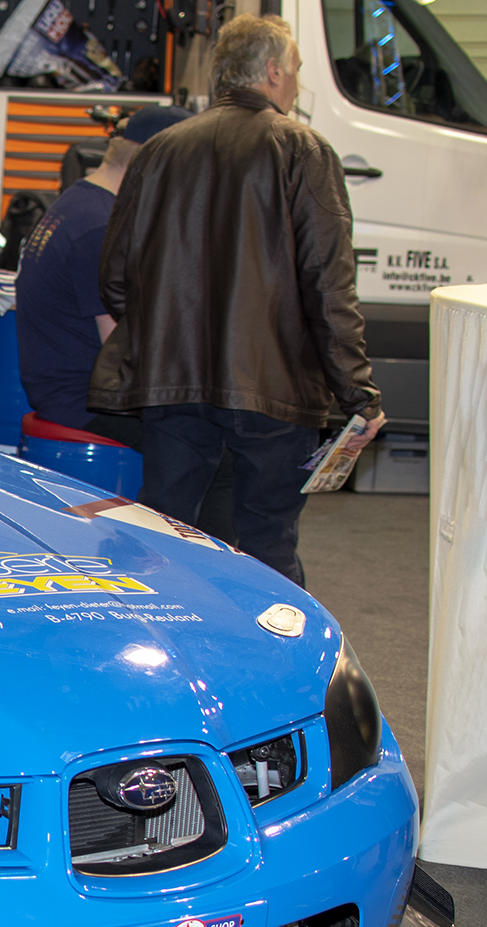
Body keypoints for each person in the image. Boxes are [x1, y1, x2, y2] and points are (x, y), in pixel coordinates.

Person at [89, 15, 383, 584]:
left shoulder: (159, 151)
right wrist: (358, 392)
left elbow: (117, 278)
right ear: (272, 72)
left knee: (164, 533)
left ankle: (163, 651)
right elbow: (329, 283)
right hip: (275, 391)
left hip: (171, 383)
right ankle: (275, 660)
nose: (297, 84)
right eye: (296, 70)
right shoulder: (303, 150)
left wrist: (167, 335)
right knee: (267, 542)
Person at [17, 105, 188, 443]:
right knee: (206, 443)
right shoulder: (100, 227)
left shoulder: (81, 201)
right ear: (155, 161)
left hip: (70, 391)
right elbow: (121, 346)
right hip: (84, 402)